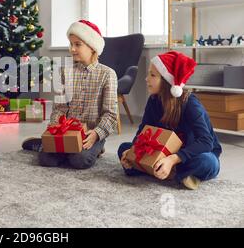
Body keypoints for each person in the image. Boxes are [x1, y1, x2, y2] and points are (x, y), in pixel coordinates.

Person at [118, 51, 222, 190]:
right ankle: (175, 174)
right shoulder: (153, 100)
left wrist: (172, 159)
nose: (146, 79)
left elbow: (206, 142)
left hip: (191, 153)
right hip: (163, 151)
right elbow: (143, 131)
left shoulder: (190, 104)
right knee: (123, 149)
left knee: (207, 162)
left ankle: (165, 169)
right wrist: (132, 151)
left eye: (152, 75)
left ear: (167, 82)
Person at [22, 20, 118, 169]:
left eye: (77, 44)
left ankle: (97, 147)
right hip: (66, 132)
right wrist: (53, 130)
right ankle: (43, 144)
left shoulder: (107, 74)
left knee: (79, 160)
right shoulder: (64, 71)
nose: (72, 49)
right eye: (71, 44)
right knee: (46, 160)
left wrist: (97, 134)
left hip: (90, 134)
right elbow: (60, 108)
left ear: (92, 47)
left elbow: (110, 115)